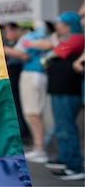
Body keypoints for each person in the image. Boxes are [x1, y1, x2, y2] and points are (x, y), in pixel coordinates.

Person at [39, 11, 84, 181]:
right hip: (60, 88)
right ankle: (65, 159)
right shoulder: (66, 39)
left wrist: (50, 54)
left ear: (69, 25)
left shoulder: (77, 38)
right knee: (61, 127)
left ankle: (74, 166)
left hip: (68, 90)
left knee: (66, 128)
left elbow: (55, 54)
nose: (57, 26)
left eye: (61, 23)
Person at [4, 21, 55, 163]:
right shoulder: (36, 38)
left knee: (33, 115)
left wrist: (4, 48)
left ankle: (40, 150)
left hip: (32, 77)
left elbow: (24, 55)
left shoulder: (32, 37)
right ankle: (39, 149)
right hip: (33, 76)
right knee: (33, 115)